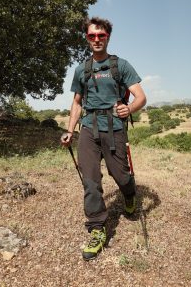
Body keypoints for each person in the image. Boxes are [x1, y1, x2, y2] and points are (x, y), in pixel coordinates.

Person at [61, 17, 147, 261]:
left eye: (101, 35)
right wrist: (70, 130)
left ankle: (129, 194)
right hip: (88, 129)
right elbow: (77, 103)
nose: (97, 39)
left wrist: (129, 110)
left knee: (120, 175)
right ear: (87, 39)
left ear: (108, 37)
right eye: (92, 36)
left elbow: (141, 97)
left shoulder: (121, 66)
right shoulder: (82, 69)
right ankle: (97, 228)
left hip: (114, 128)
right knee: (90, 181)